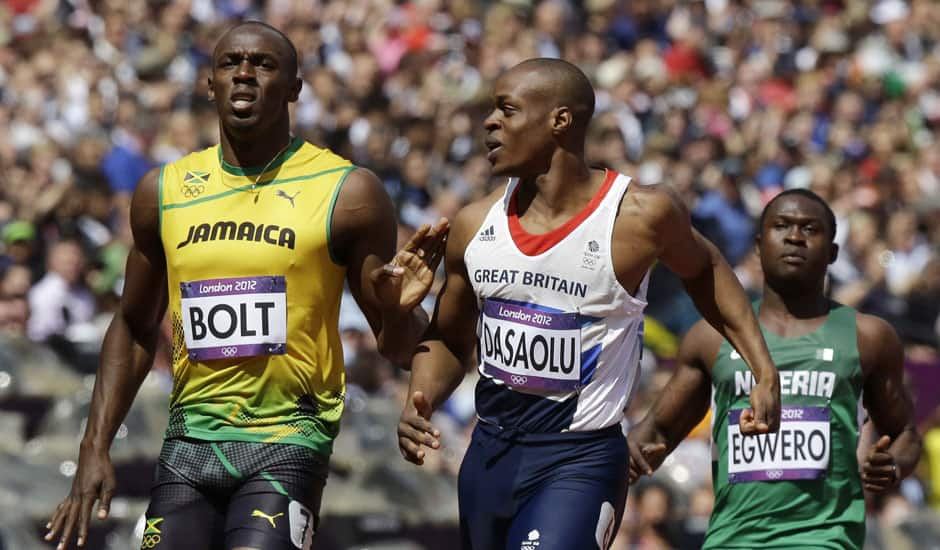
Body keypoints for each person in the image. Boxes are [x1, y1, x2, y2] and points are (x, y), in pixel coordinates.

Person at [45, 21, 448, 550]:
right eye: (230, 63)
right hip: (189, 442)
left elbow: (394, 343)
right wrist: (95, 444)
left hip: (289, 441)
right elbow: (133, 325)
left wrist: (397, 311)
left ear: (295, 89)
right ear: (208, 84)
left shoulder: (348, 193)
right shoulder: (162, 192)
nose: (244, 74)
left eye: (263, 64)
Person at [396, 58, 781, 550]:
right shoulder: (473, 226)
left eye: (506, 110)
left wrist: (762, 369)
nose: (489, 123)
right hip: (490, 453)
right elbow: (451, 339)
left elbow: (706, 271)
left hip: (580, 458)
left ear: (560, 120)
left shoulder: (638, 216)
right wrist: (418, 399)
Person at [627, 189, 922, 549]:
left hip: (825, 540)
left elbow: (906, 433)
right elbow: (653, 434)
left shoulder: (869, 337)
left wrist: (892, 465)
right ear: (758, 244)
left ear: (832, 253)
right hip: (732, 541)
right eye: (781, 226)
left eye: (809, 229)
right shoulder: (711, 337)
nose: (795, 237)